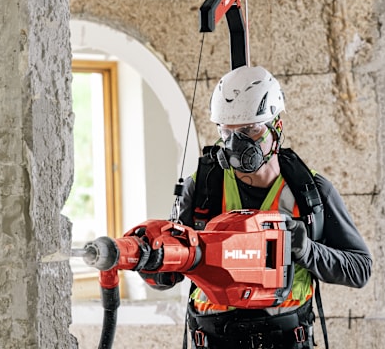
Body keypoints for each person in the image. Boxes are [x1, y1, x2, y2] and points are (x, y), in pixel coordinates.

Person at [144, 65, 372, 349]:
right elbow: (169, 271)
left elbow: (360, 269)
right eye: (227, 131)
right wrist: (154, 262)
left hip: (285, 337)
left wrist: (307, 250)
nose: (236, 144)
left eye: (250, 129)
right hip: (214, 338)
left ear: (276, 126)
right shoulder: (203, 187)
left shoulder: (310, 192)